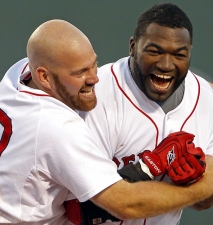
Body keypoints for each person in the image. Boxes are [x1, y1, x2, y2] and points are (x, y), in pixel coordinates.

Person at [0, 19, 213, 225]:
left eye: (93, 65)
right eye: (79, 73)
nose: (95, 78)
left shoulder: (18, 75)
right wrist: (203, 184)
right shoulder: (57, 127)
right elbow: (120, 205)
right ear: (44, 76)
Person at [79, 3, 213, 225]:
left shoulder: (206, 99)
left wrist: (193, 181)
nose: (166, 65)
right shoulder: (96, 95)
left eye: (179, 55)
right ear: (133, 46)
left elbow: (203, 202)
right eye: (155, 51)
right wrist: (150, 168)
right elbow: (84, 208)